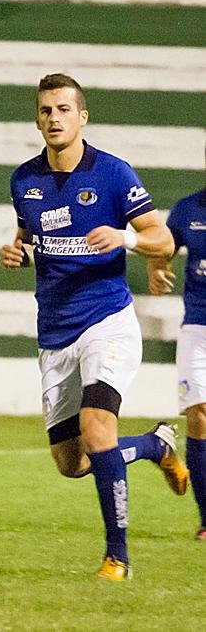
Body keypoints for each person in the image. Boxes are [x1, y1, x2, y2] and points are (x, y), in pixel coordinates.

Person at [0, 73, 189, 581]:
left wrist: (127, 238)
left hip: (107, 323)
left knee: (96, 426)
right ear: (37, 120)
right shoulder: (23, 181)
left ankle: (117, 558)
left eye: (64, 109)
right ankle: (153, 446)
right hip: (54, 333)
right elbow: (30, 237)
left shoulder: (112, 173)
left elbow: (164, 239)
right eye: (46, 110)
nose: (54, 118)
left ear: (82, 117)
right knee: (73, 462)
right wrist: (16, 253)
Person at [147, 188, 206, 541]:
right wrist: (158, 270)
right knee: (199, 414)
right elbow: (162, 249)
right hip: (197, 325)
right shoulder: (187, 209)